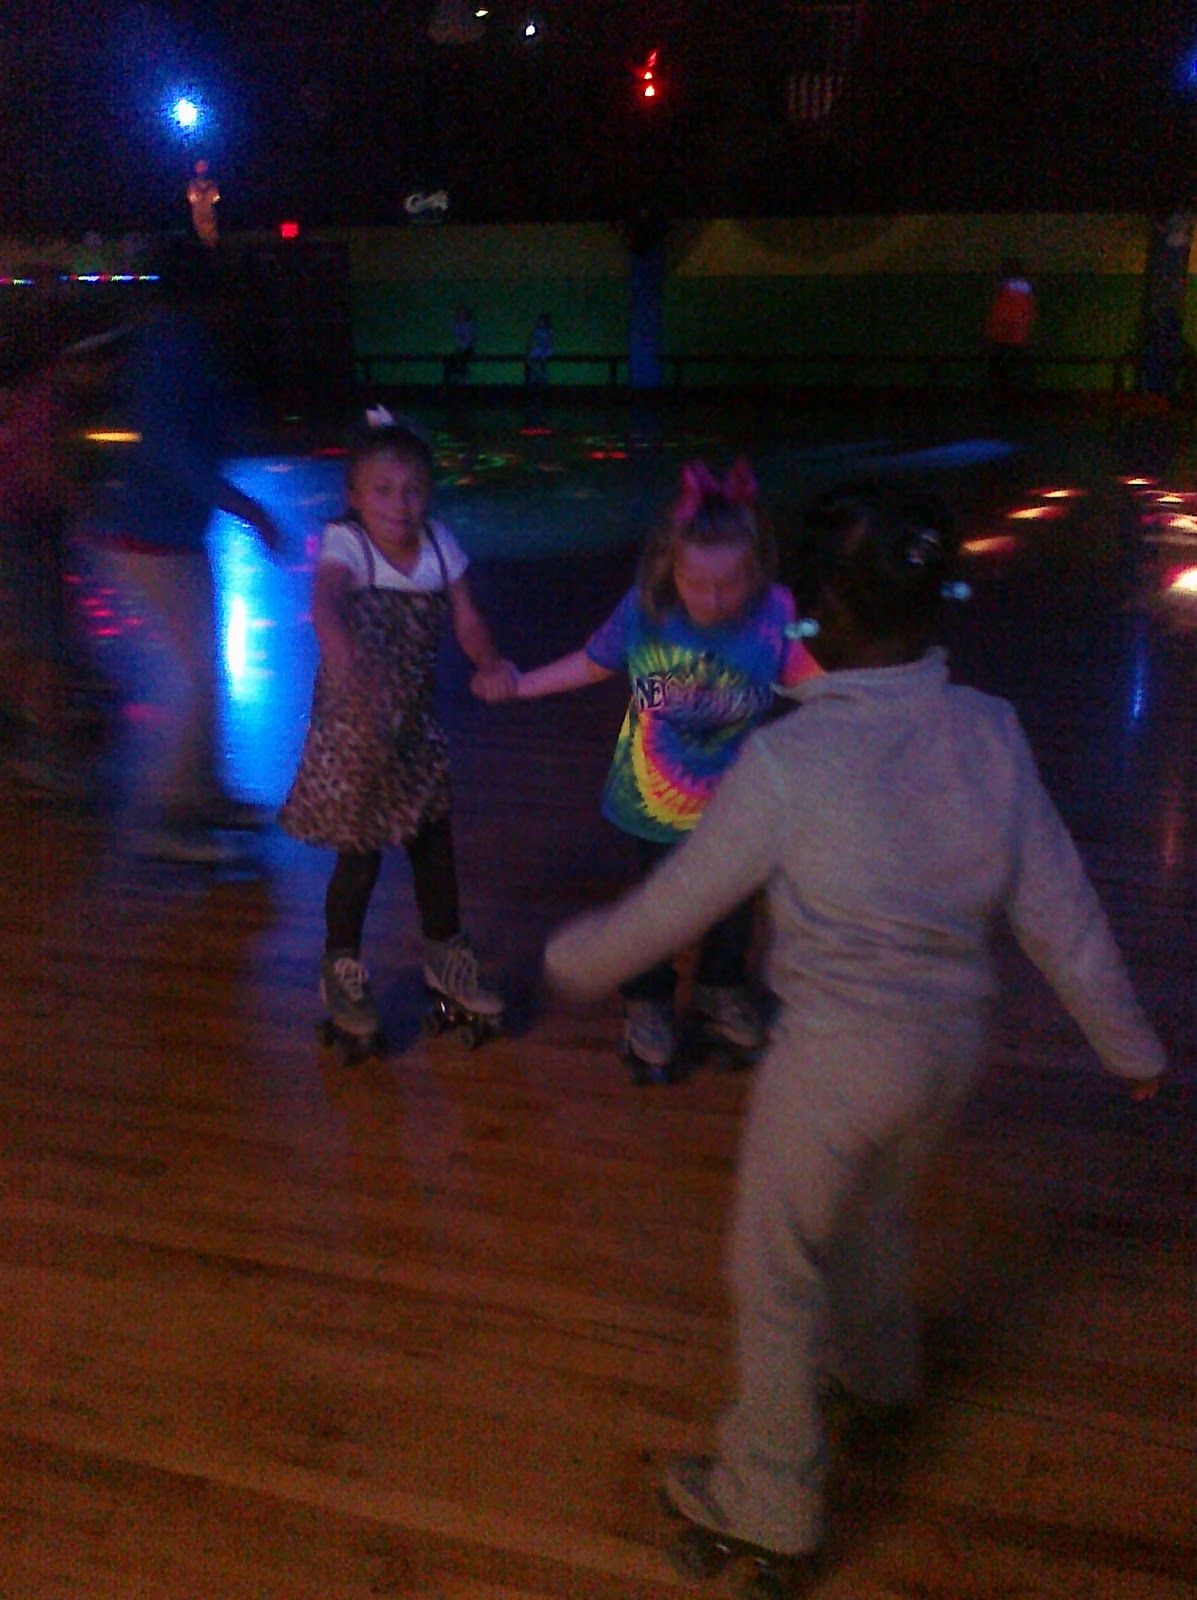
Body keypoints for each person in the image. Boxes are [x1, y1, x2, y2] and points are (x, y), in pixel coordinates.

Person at [543, 481, 1165, 1589]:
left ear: (812, 614)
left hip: (835, 1065)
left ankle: (770, 1497)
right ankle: (878, 1376)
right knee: (874, 1211)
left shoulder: (790, 764)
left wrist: (573, 958)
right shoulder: (989, 729)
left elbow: (674, 906)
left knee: (776, 1271)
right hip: (949, 1052)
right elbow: (1060, 910)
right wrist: (1132, 1049)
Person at [476, 457, 819, 1079]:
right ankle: (648, 1003)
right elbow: (592, 663)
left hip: (739, 803)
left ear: (757, 570)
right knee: (655, 909)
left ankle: (719, 990)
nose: (714, 599)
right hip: (652, 800)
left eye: (730, 583)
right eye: (697, 582)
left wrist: (878, 709)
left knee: (735, 903)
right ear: (669, 567)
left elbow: (809, 681)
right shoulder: (645, 610)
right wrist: (520, 684)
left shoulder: (773, 612)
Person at [279, 409, 518, 1047]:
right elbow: (326, 603)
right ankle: (340, 965)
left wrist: (489, 662)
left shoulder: (440, 546)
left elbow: (467, 618)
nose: (399, 504)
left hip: (412, 725)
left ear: (429, 494)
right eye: (382, 491)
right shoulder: (347, 543)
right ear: (355, 497)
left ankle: (446, 954)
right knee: (359, 856)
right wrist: (346, 662)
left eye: (412, 490)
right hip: (354, 732)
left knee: (434, 845)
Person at [87, 233, 282, 862]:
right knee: (186, 680)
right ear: (207, 291)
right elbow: (172, 448)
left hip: (168, 536)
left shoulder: (174, 341)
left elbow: (201, 427)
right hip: (150, 538)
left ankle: (203, 794)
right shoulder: (174, 343)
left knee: (202, 672)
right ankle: (168, 820)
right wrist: (248, 508)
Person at [985, 258, 1036, 398]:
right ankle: (1018, 400)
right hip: (1018, 338)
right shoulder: (1025, 290)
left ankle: (1000, 400)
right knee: (1017, 374)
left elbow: (996, 314)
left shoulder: (1000, 289)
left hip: (1000, 337)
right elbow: (1028, 314)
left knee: (999, 375)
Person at [443, 306, 475, 386]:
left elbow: (468, 340)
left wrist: (462, 347)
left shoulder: (468, 326)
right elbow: (452, 338)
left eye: (462, 314)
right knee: (450, 363)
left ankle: (462, 380)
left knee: (460, 361)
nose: (460, 315)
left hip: (465, 350)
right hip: (456, 350)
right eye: (459, 313)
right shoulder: (455, 326)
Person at [524, 311, 553, 388]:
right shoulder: (536, 331)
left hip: (545, 349)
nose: (541, 323)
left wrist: (544, 352)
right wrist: (530, 347)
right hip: (538, 348)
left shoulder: (548, 331)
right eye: (540, 321)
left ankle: (541, 377)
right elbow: (532, 340)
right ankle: (533, 376)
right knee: (531, 359)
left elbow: (548, 342)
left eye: (543, 321)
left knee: (542, 361)